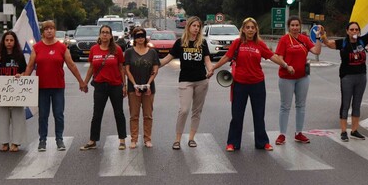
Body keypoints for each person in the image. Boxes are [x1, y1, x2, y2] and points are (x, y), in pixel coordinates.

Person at [210, 17, 293, 152]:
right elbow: (226, 57)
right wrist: (214, 67)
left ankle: (262, 142)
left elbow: (272, 56)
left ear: (256, 30)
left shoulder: (260, 44)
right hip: (239, 84)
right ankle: (233, 143)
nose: (250, 30)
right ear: (243, 29)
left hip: (257, 84)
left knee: (259, 115)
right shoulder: (237, 43)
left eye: (252, 28)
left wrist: (286, 65)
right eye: (247, 27)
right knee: (237, 116)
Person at [321, 11, 368, 142]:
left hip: (361, 76)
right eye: (351, 29)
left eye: (356, 29)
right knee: (346, 103)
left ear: (359, 31)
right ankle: (343, 131)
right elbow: (329, 44)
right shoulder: (343, 43)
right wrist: (323, 35)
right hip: (347, 77)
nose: (354, 31)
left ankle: (354, 130)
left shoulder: (362, 40)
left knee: (357, 104)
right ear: (347, 31)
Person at [24, 20, 86, 152]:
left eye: (52, 28)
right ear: (43, 32)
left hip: (58, 87)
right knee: (43, 115)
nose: (49, 31)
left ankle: (59, 139)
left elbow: (71, 65)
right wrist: (22, 81)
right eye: (46, 29)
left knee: (58, 114)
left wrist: (81, 81)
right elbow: (29, 67)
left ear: (55, 30)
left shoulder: (62, 47)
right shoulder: (37, 47)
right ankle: (42, 140)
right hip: (42, 87)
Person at [160, 16, 213, 150]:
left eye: (198, 26)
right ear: (188, 26)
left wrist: (210, 69)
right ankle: (177, 139)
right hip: (186, 80)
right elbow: (168, 58)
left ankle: (191, 138)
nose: (196, 28)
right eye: (194, 25)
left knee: (197, 111)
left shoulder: (202, 43)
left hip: (201, 80)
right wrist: (155, 65)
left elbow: (207, 60)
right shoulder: (180, 43)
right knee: (184, 110)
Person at [274, 16, 322, 145]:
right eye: (292, 25)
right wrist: (286, 66)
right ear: (288, 27)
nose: (295, 28)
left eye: (297, 25)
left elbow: (316, 51)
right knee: (285, 106)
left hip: (302, 78)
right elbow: (278, 57)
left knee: (301, 106)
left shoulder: (304, 39)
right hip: (286, 78)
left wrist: (318, 38)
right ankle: (282, 134)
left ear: (300, 26)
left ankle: (299, 133)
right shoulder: (284, 40)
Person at [80, 25, 127, 150]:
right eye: (103, 32)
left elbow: (121, 68)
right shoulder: (94, 49)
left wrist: (124, 85)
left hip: (115, 85)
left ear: (111, 35)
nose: (105, 35)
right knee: (97, 114)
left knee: (119, 113)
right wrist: (84, 83)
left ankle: (122, 140)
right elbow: (91, 68)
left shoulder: (117, 49)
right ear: (100, 35)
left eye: (107, 32)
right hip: (100, 86)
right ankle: (93, 140)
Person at [124, 27, 159, 149]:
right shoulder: (129, 52)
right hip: (134, 88)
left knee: (148, 115)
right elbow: (127, 70)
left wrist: (149, 83)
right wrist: (134, 84)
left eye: (142, 36)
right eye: (137, 36)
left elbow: (155, 69)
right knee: (134, 115)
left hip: (149, 88)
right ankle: (134, 139)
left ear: (145, 37)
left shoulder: (152, 52)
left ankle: (147, 139)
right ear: (134, 38)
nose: (140, 38)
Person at [0, 31, 27, 153]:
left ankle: (16, 143)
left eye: (11, 40)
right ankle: (4, 142)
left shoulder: (19, 56)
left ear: (15, 42)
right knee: (2, 116)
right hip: (3, 90)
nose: (9, 42)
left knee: (18, 115)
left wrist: (20, 75)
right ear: (3, 42)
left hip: (16, 90)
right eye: (6, 40)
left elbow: (25, 71)